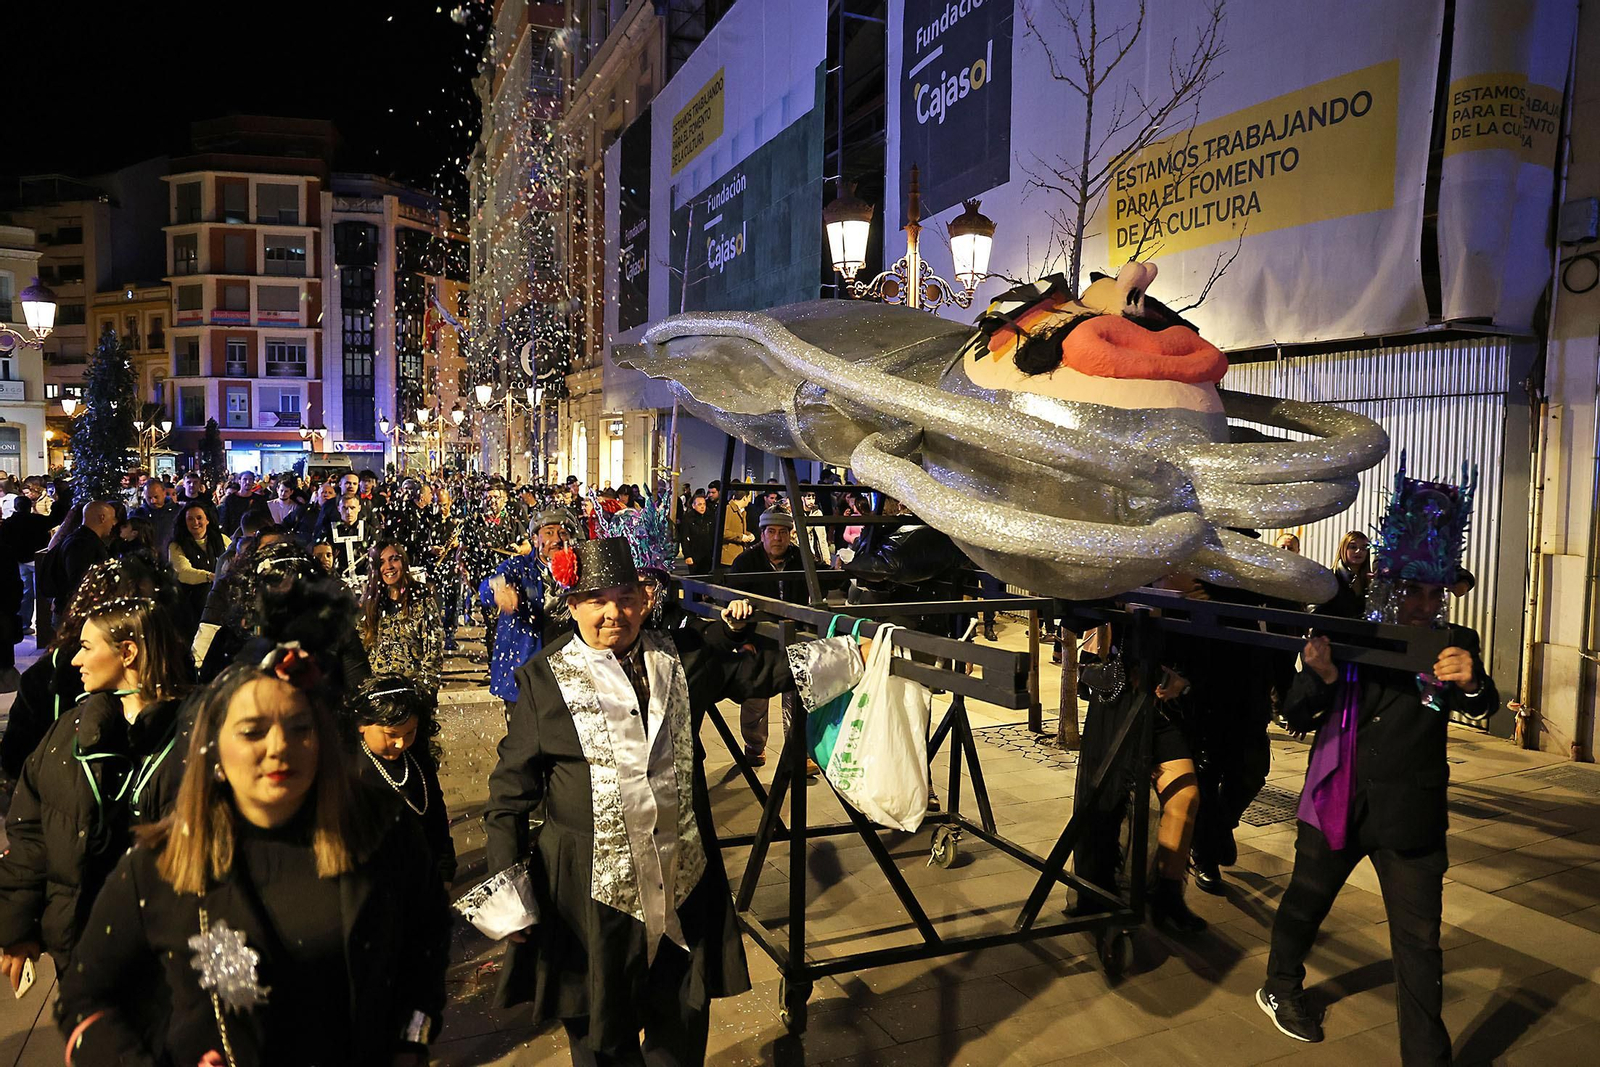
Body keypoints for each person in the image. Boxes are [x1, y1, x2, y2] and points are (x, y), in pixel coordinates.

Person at [482, 537, 861, 1066]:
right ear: (573, 607)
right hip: (590, 896)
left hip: (682, 881)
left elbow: (763, 673)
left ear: (643, 599)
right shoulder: (545, 680)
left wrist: (856, 655)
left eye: (623, 598)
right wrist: (511, 899)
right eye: (596, 601)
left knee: (680, 1029)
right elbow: (507, 799)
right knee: (599, 1039)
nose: (613, 613)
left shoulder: (680, 658)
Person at [57, 650, 450, 1066]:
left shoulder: (382, 834)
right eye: (252, 732)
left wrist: (412, 1041)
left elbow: (426, 939)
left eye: (300, 728)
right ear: (214, 747)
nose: (279, 747)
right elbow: (84, 998)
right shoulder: (159, 863)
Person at [1258, 464, 1494, 1062]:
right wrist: (1321, 675)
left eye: (1435, 590)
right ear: (1389, 585)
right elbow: (1295, 714)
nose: (1425, 601)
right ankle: (1280, 984)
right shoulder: (1342, 636)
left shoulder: (1453, 642)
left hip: (1411, 812)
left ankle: (1426, 1056)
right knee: (1306, 902)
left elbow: (1482, 699)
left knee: (1419, 943)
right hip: (1337, 797)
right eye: (1413, 589)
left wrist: (1469, 684)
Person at [0, 596, 191, 985]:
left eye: (86, 648)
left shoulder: (197, 733)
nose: (75, 660)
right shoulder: (68, 733)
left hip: (173, 957)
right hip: (85, 949)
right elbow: (31, 834)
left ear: (128, 652)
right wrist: (17, 927)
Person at [345, 675, 455, 885]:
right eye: (391, 734)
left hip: (421, 876)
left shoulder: (416, 757)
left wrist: (445, 867)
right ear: (362, 724)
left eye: (410, 732)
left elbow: (436, 814)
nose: (400, 743)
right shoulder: (350, 768)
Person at [727, 510, 809, 771]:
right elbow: (730, 600)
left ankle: (799, 749)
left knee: (797, 699)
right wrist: (742, 641)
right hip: (759, 639)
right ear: (761, 535)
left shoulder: (802, 558)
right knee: (756, 699)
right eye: (771, 532)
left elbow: (825, 581)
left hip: (795, 637)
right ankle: (754, 745)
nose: (777, 538)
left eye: (783, 532)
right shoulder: (745, 562)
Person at [479, 510, 572, 713]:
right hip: (525, 673)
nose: (557, 539)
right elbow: (491, 583)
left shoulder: (577, 570)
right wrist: (498, 587)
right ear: (535, 539)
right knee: (523, 741)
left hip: (566, 675)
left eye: (563, 533)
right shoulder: (520, 567)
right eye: (549, 532)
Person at [359, 540, 443, 695]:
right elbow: (361, 650)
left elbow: (433, 653)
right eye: (381, 562)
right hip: (379, 695)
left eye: (394, 559)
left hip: (412, 693)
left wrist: (424, 693)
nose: (388, 567)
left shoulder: (422, 599)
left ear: (403, 562)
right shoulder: (371, 604)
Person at [169, 502, 230, 631]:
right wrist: (209, 577)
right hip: (192, 602)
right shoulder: (176, 545)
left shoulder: (222, 539)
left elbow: (234, 561)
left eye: (199, 518)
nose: (195, 522)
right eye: (190, 519)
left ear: (207, 520)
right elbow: (183, 572)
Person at [1321, 530, 1372, 618]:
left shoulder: (1370, 581)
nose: (1358, 551)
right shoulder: (1328, 578)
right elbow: (1315, 612)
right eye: (1353, 547)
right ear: (1343, 549)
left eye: (1364, 548)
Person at [325, 494, 372, 583]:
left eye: (352, 508)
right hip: (337, 580)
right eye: (345, 508)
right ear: (338, 508)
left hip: (363, 579)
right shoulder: (330, 531)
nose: (349, 512)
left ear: (359, 508)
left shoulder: (368, 530)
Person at [130, 478, 181, 553]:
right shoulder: (137, 515)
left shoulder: (178, 512)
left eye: (156, 497)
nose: (153, 501)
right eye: (149, 498)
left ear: (164, 493)